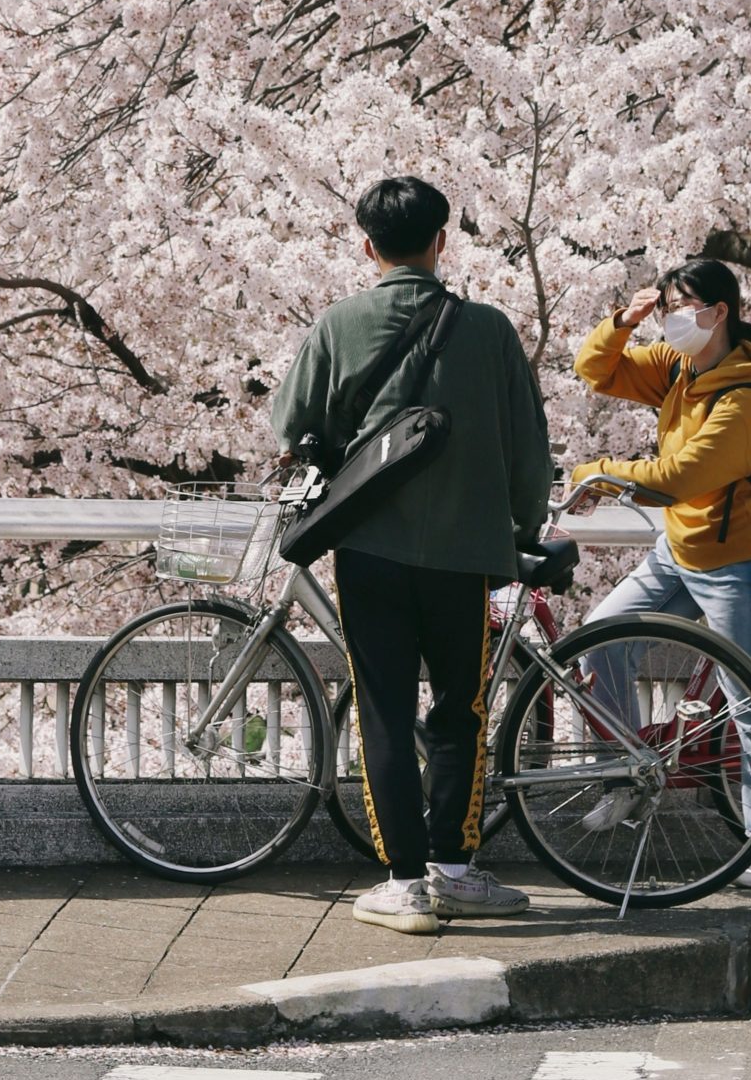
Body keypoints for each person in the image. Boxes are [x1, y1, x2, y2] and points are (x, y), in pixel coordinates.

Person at [272, 176, 554, 933]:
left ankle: (403, 882)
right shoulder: (490, 329)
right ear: (442, 241)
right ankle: (455, 869)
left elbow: (290, 423)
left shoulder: (339, 323)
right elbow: (530, 452)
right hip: (467, 553)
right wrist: (523, 527)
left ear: (368, 245)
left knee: (385, 709)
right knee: (460, 707)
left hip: (370, 546)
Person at [569, 257, 751, 890]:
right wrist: (626, 319)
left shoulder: (747, 396)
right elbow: (595, 370)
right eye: (666, 307)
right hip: (683, 547)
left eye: (681, 307)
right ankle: (626, 774)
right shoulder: (679, 368)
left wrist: (600, 470)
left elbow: (679, 479)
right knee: (601, 636)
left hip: (743, 562)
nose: (671, 320)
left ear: (719, 312)